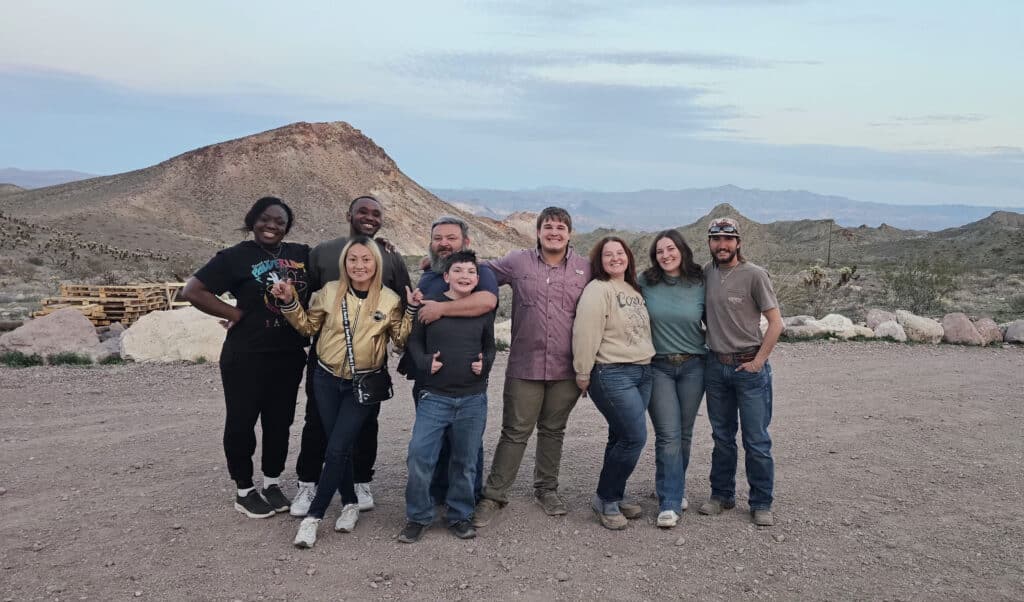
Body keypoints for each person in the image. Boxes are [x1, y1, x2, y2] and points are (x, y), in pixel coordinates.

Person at [271, 236, 421, 549]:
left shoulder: (389, 299)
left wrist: (411, 311)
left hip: (363, 384)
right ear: (344, 263)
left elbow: (400, 341)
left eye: (366, 260)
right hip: (326, 379)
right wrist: (289, 302)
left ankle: (313, 518)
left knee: (336, 450)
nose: (359, 266)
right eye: (353, 259)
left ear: (376, 264)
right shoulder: (328, 293)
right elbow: (308, 328)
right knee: (339, 447)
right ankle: (350, 504)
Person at [181, 196, 310, 519]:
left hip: (289, 353)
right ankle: (244, 489)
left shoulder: (300, 254)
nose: (272, 226)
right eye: (266, 219)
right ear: (253, 220)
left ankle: (272, 482)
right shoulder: (235, 257)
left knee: (280, 422)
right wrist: (234, 314)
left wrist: (380, 245)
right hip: (246, 355)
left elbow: (341, 259)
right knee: (242, 421)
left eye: (280, 222)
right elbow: (193, 290)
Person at [290, 195, 411, 518]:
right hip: (327, 360)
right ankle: (308, 481)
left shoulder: (391, 256)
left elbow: (403, 303)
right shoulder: (324, 252)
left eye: (376, 213)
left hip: (370, 362)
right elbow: (308, 302)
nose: (369, 218)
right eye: (363, 212)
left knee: (366, 423)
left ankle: (360, 480)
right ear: (349, 215)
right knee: (316, 421)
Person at [472, 207, 590, 528]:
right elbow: (480, 272)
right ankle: (494, 495)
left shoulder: (585, 268)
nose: (554, 232)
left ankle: (546, 489)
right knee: (514, 432)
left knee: (553, 431)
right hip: (525, 364)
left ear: (570, 233)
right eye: (548, 227)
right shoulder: (517, 261)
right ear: (537, 232)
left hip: (566, 368)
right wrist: (445, 266)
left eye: (561, 227)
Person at [399, 250, 496, 543]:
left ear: (477, 279)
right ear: (446, 276)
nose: (464, 276)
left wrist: (486, 363)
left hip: (472, 398)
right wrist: (425, 363)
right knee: (419, 456)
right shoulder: (430, 306)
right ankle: (418, 515)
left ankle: (460, 515)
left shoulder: (481, 310)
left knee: (465, 461)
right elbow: (414, 343)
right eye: (458, 271)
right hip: (435, 397)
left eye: (470, 272)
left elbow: (490, 346)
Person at [698, 217, 784, 527]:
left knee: (756, 439)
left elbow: (776, 323)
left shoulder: (754, 275)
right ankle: (721, 495)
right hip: (715, 365)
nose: (722, 245)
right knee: (722, 437)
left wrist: (759, 362)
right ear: (709, 243)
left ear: (738, 242)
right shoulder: (706, 273)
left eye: (728, 239)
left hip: (749, 368)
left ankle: (761, 502)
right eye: (716, 239)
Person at [409, 216, 498, 504]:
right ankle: (437, 494)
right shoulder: (431, 273)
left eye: (451, 238)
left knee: (466, 447)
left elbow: (487, 303)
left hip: (467, 385)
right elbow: (416, 331)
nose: (444, 243)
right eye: (438, 239)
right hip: (430, 380)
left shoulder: (479, 272)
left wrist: (441, 309)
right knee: (432, 443)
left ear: (466, 242)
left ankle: (468, 499)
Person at [571, 236, 655, 530]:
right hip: (612, 372)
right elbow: (585, 332)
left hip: (643, 371)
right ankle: (605, 499)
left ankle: (615, 495)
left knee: (619, 437)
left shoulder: (633, 287)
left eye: (620, 253)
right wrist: (582, 372)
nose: (615, 258)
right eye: (609, 254)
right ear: (600, 260)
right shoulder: (598, 290)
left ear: (629, 257)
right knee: (634, 437)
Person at [639, 230, 705, 529]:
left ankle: (671, 485)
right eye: (660, 251)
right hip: (658, 366)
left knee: (684, 433)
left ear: (682, 250)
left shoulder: (700, 282)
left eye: (671, 249)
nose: (666, 255)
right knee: (668, 433)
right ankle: (669, 502)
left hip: (694, 366)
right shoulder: (645, 282)